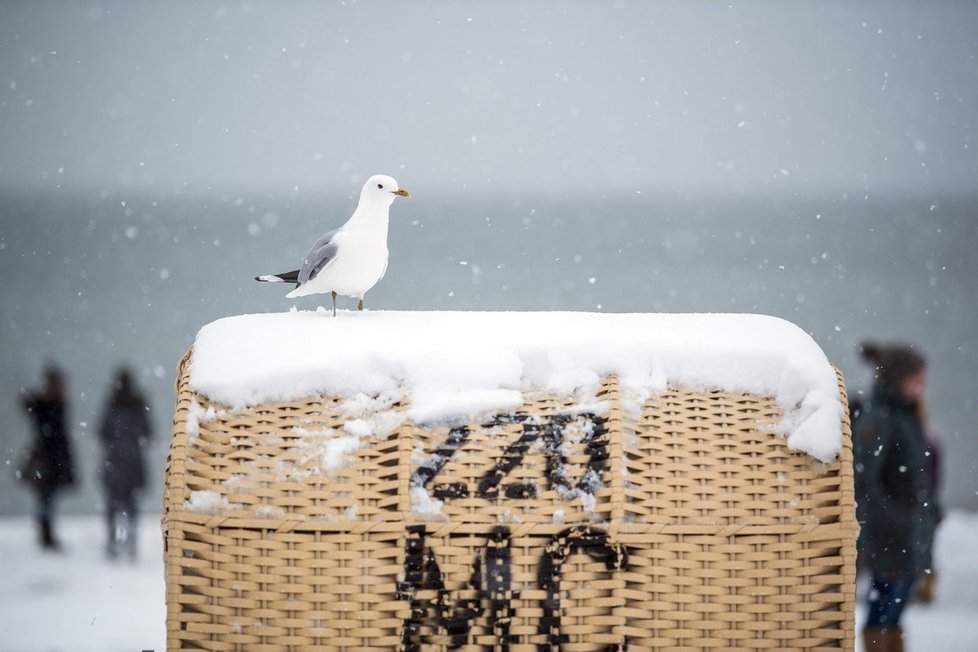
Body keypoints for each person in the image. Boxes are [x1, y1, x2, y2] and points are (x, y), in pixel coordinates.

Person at [853, 342, 937, 652]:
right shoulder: (880, 417)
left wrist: (927, 515)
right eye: (916, 375)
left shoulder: (905, 414)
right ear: (898, 377)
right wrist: (896, 518)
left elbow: (918, 476)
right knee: (883, 608)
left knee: (895, 609)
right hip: (888, 536)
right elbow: (864, 479)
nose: (922, 381)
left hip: (907, 534)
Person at [19, 366, 76, 550]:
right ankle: (46, 533)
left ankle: (46, 532)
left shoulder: (53, 404)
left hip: (50, 458)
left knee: (47, 498)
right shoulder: (48, 405)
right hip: (47, 459)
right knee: (46, 498)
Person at [98, 368, 153, 560]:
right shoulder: (139, 405)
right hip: (133, 463)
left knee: (113, 505)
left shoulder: (111, 404)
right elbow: (149, 432)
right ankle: (131, 541)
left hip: (115, 462)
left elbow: (102, 432)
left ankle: (114, 541)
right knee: (131, 505)